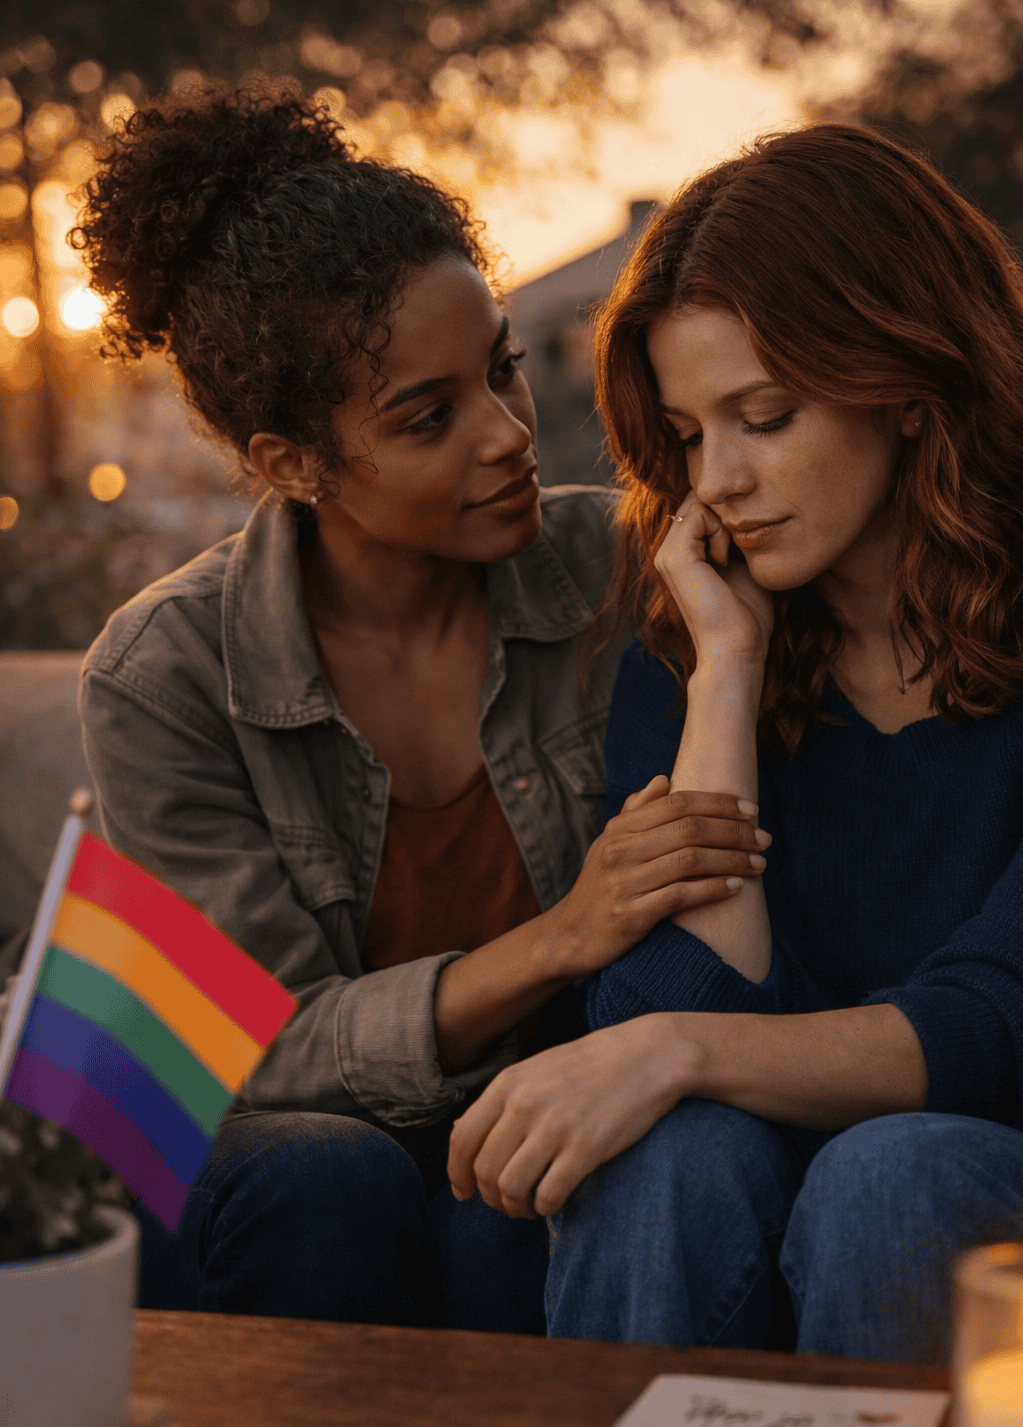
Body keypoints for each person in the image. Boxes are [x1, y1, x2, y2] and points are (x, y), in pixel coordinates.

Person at [71, 83, 768, 1328]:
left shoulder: (618, 570)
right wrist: (567, 929)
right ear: (293, 462)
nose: (508, 435)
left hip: (527, 1119)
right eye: (428, 416)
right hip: (282, 1160)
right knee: (327, 1176)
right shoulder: (165, 674)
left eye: (500, 371)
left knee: (535, 1182)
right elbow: (252, 1050)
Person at [446, 123, 1023, 1363]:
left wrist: (674, 1047)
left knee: (891, 1173)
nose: (722, 481)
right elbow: (677, 989)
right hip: (775, 1164)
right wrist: (730, 673)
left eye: (765, 415)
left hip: (975, 1180)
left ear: (909, 386)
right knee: (663, 1153)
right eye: (692, 431)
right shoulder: (699, 634)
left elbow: (993, 1028)